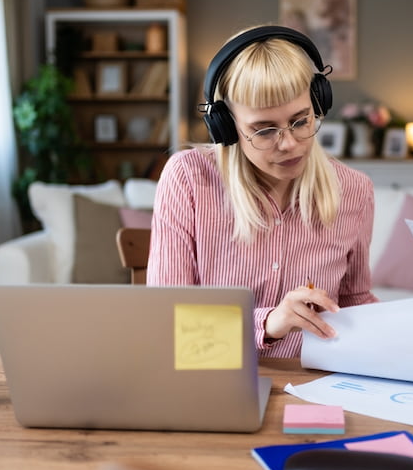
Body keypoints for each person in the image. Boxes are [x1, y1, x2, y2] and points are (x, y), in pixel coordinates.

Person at [147, 25, 377, 358]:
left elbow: (355, 302)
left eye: (301, 121)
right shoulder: (188, 179)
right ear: (227, 127)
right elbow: (166, 315)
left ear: (317, 104)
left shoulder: (355, 190)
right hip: (213, 375)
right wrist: (267, 323)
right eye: (264, 130)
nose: (289, 144)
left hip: (313, 381)